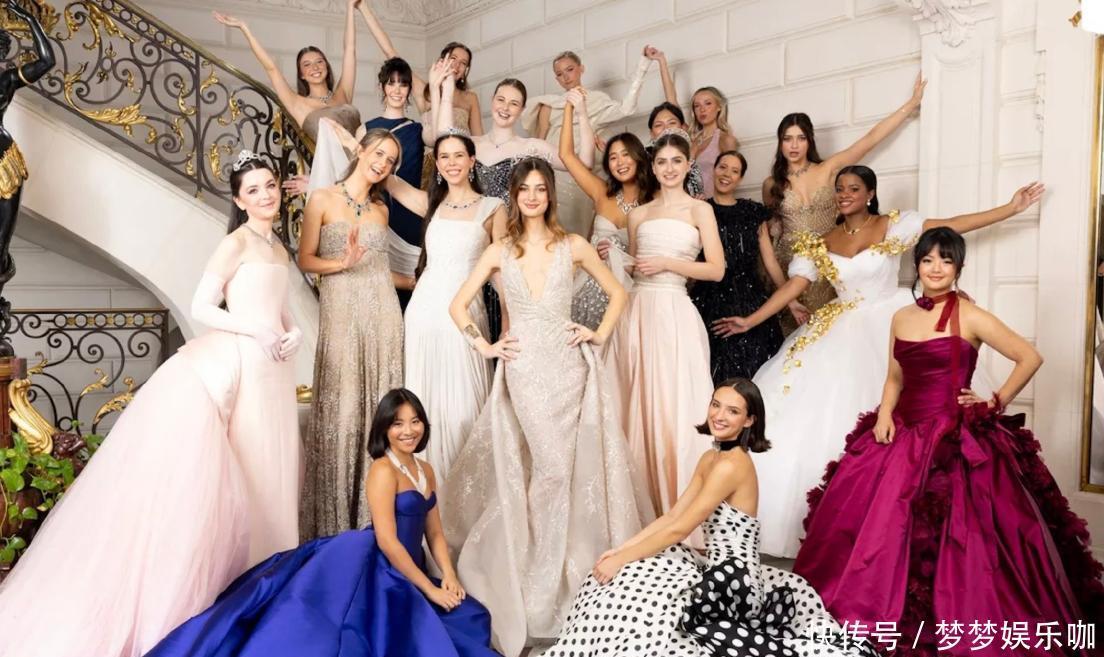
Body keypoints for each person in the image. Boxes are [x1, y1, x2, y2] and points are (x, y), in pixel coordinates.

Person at [0, 154, 302, 657]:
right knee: (250, 470)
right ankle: (244, 591)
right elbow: (202, 305)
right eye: (253, 190)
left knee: (275, 468)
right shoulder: (235, 242)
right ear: (238, 199)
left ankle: (273, 586)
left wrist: (292, 333)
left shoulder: (278, 249)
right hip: (245, 364)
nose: (266, 195)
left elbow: (283, 310)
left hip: (276, 369)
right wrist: (256, 330)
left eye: (269, 185)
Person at [795, 228, 1104, 654]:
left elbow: (1029, 356)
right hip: (904, 429)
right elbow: (895, 377)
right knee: (874, 525)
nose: (936, 268)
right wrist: (884, 414)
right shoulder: (901, 317)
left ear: (958, 267)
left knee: (967, 537)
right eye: (927, 260)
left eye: (946, 260)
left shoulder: (971, 315)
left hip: (954, 434)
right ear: (917, 266)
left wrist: (995, 400)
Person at [724, 166, 1044, 558]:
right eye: (840, 189)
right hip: (840, 328)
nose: (845, 194)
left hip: (890, 315)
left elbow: (950, 225)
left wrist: (1010, 209)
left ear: (870, 194)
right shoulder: (821, 241)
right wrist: (751, 320)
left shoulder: (893, 226)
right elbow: (795, 286)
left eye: (853, 188)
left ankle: (907, 530)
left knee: (916, 408)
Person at [441, 158, 651, 657]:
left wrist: (596, 333)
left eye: (540, 189)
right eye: (525, 190)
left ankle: (562, 564)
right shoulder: (499, 250)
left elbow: (617, 293)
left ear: (550, 195)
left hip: (567, 366)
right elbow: (457, 305)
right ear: (514, 196)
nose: (533, 196)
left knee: (563, 469)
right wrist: (485, 345)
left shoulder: (573, 245)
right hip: (525, 369)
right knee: (551, 468)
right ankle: (533, 565)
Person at [145, 389, 500, 657]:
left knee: (471, 615)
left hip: (411, 564)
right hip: (379, 562)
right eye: (398, 423)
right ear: (384, 428)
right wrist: (430, 589)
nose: (409, 430)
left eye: (415, 421)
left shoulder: (425, 470)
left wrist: (449, 575)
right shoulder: (383, 470)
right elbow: (389, 542)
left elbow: (434, 531)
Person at [545, 379, 881, 657]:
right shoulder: (711, 457)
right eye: (716, 405)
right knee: (630, 570)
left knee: (641, 585)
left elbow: (680, 528)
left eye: (732, 411)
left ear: (749, 421)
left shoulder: (732, 465)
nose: (719, 415)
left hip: (734, 581)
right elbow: (673, 515)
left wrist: (622, 559)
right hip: (715, 567)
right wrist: (621, 551)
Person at [603, 131, 723, 520]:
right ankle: (640, 508)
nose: (669, 169)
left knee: (675, 402)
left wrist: (669, 264)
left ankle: (680, 507)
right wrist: (615, 257)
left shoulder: (700, 211)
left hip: (674, 310)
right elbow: (637, 268)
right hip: (638, 310)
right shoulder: (639, 214)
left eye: (676, 161)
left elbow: (716, 269)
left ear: (688, 165)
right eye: (661, 162)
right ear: (652, 167)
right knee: (636, 400)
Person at [297, 129, 408, 540]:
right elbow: (305, 259)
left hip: (383, 317)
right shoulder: (322, 198)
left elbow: (379, 270)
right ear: (359, 150)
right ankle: (335, 528)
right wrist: (340, 264)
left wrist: (420, 282)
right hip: (342, 314)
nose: (382, 163)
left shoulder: (381, 210)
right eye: (378, 153)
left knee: (379, 410)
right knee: (343, 413)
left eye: (390, 160)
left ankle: (374, 521)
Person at [385, 129, 507, 479]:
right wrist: (350, 144)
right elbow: (385, 177)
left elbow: (500, 271)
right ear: (436, 164)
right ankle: (427, 486)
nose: (451, 163)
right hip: (423, 313)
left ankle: (465, 491)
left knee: (463, 407)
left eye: (458, 155)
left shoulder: (493, 208)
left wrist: (510, 321)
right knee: (425, 404)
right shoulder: (432, 204)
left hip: (464, 314)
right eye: (444, 157)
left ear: (472, 161)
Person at [437, 71, 593, 341]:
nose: (505, 107)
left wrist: (581, 113)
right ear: (492, 102)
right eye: (501, 100)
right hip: (472, 241)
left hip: (513, 242)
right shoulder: (471, 146)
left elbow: (585, 163)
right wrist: (447, 91)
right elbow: (443, 139)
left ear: (521, 110)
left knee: (507, 319)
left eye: (514, 103)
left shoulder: (531, 146)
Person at [764, 75, 926, 334]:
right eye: (787, 138)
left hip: (830, 261)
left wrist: (911, 104)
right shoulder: (772, 184)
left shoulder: (828, 169)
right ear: (780, 142)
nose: (794, 145)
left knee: (831, 334)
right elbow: (771, 238)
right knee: (793, 340)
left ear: (810, 141)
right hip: (790, 267)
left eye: (801, 138)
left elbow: (870, 139)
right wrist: (785, 292)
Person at [213, 3, 361, 195]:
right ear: (302, 75)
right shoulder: (298, 104)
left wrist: (349, 7)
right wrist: (245, 28)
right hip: (335, 182)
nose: (315, 67)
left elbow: (350, 49)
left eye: (319, 61)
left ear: (326, 66)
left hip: (365, 168)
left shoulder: (343, 93)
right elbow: (271, 68)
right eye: (307, 65)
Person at [522, 50, 654, 236]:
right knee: (549, 231)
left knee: (578, 232)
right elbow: (539, 144)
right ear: (556, 79)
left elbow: (626, 108)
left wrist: (643, 66)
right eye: (560, 74)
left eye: (570, 69)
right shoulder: (548, 105)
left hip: (582, 176)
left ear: (581, 69)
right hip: (553, 176)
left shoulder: (596, 100)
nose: (566, 77)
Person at [559, 90, 653, 330]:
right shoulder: (602, 193)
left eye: (625, 155)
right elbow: (566, 155)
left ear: (638, 157)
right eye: (613, 157)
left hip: (632, 297)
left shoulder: (654, 201)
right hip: (589, 294)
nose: (620, 162)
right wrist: (569, 108)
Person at [690, 151, 785, 382]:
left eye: (734, 171)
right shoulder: (699, 210)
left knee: (757, 363)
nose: (727, 174)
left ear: (740, 178)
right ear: (714, 169)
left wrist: (789, 298)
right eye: (722, 167)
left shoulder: (752, 212)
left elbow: (770, 261)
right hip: (709, 297)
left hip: (750, 297)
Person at [0, 0, 55, 313]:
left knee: (1, 242)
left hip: (4, 163)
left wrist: (29, 20)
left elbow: (47, 61)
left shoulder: (7, 80)